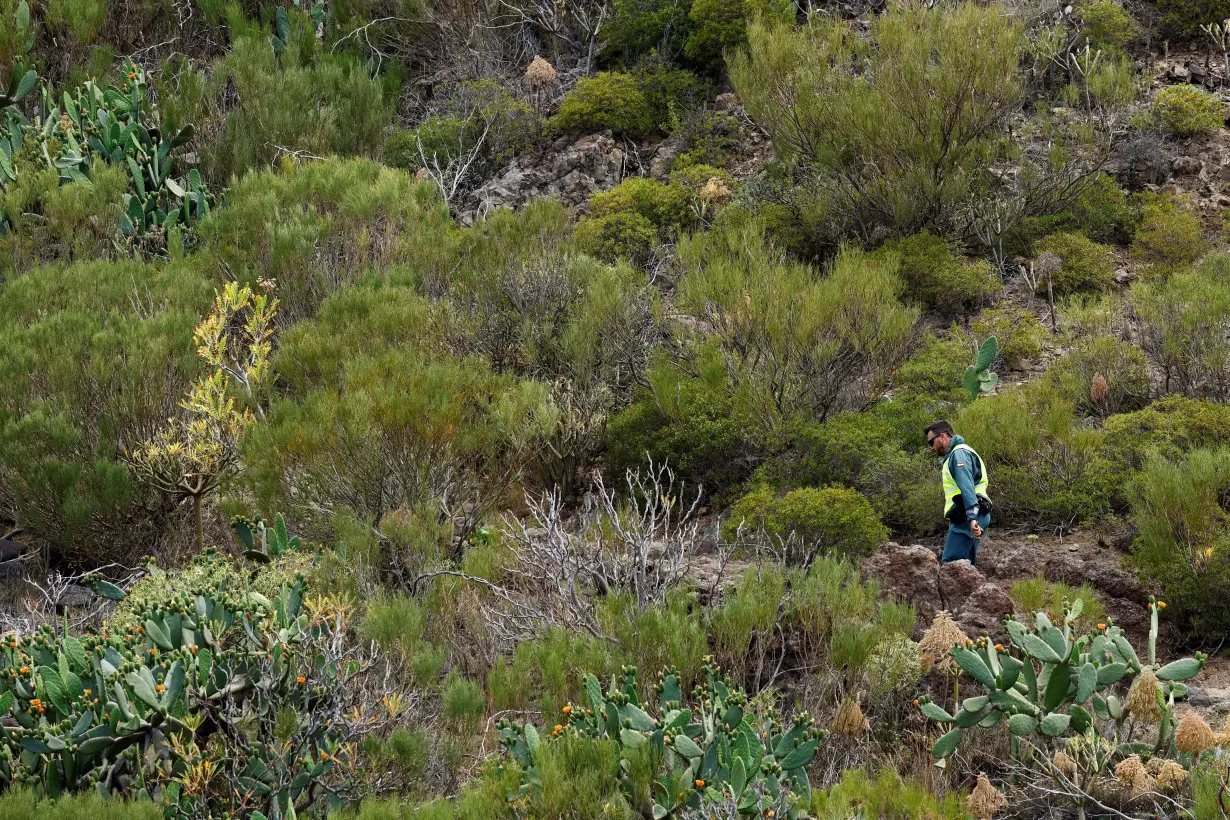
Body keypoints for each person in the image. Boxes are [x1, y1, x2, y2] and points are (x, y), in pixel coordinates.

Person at [925, 420, 991, 566]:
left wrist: (972, 517)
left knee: (951, 566)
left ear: (942, 436)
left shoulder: (958, 454)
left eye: (931, 442)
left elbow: (967, 486)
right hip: (974, 515)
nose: (931, 448)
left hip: (967, 517)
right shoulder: (962, 452)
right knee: (966, 568)